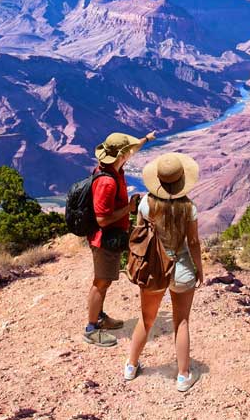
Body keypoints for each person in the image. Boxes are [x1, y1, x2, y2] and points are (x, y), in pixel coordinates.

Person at [125, 152, 204, 392]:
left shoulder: (146, 204)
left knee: (146, 319)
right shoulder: (188, 207)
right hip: (181, 268)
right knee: (181, 322)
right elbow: (193, 242)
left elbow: (140, 234)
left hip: (153, 269)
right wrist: (199, 269)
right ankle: (183, 376)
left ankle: (131, 365)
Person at [84, 130, 155, 348]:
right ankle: (91, 328)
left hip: (110, 237)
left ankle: (100, 317)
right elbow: (102, 219)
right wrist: (129, 208)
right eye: (126, 152)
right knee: (101, 282)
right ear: (120, 155)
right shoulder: (108, 182)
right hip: (103, 240)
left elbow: (131, 151)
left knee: (105, 281)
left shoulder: (114, 168)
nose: (129, 155)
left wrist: (145, 140)